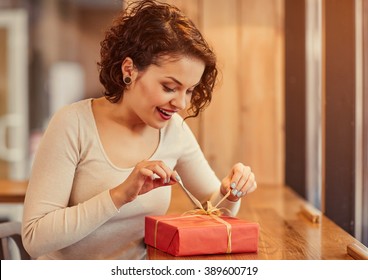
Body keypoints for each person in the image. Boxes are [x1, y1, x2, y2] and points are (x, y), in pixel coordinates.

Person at [22, 0, 257, 260]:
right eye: (169, 87)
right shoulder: (73, 124)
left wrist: (229, 192)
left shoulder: (173, 131)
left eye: (189, 90)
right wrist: (120, 195)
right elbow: (35, 239)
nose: (181, 104)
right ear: (129, 70)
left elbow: (218, 215)